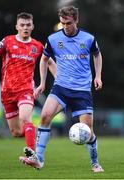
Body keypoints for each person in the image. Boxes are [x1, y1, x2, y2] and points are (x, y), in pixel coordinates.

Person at [19, 6, 104, 173]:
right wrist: (43, 83)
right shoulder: (53, 39)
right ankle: (39, 159)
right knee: (44, 116)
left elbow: (97, 55)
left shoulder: (88, 38)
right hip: (61, 87)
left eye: (69, 23)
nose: (66, 26)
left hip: (81, 90)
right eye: (63, 23)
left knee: (88, 131)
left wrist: (98, 76)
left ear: (76, 21)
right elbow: (44, 60)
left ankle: (95, 162)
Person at [0, 12, 56, 152]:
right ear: (17, 26)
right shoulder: (7, 41)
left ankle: (32, 155)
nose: (25, 27)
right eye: (22, 25)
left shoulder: (37, 46)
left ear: (32, 26)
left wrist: (59, 80)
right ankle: (38, 133)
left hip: (25, 90)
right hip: (7, 92)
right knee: (16, 132)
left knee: (25, 119)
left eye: (28, 25)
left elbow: (49, 62)